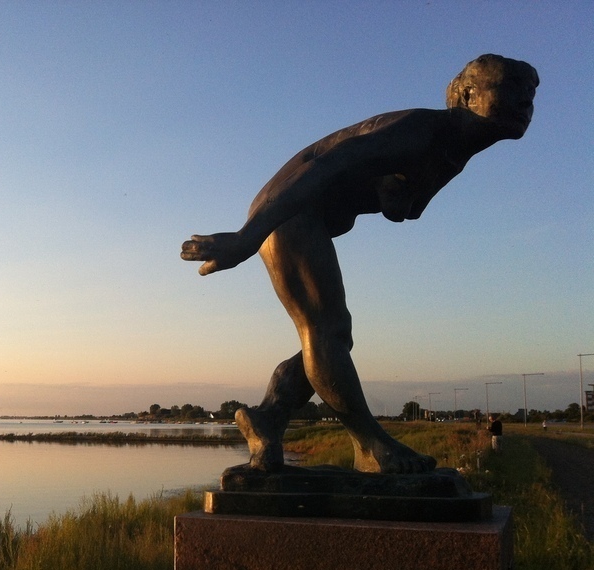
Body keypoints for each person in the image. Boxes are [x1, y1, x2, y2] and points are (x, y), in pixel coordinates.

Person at [181, 54, 538, 473]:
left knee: (335, 337)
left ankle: (269, 418)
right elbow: (325, 163)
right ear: (467, 95)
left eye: (529, 94)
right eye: (509, 89)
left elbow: (407, 207)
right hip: (290, 211)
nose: (524, 103)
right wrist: (247, 236)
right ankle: (371, 446)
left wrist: (390, 194)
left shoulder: (453, 153)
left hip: (309, 217)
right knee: (326, 331)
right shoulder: (421, 130)